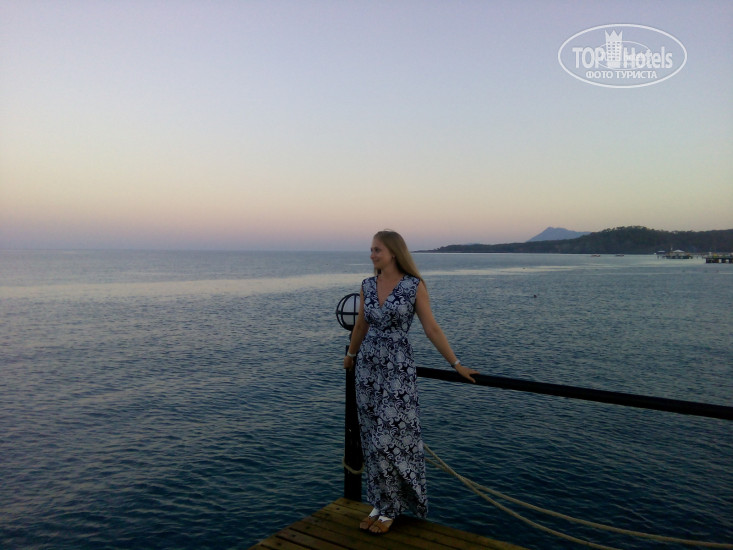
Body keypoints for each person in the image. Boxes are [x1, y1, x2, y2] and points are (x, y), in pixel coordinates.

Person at [343, 229, 479, 535]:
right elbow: (361, 325)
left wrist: (456, 364)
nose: (372, 254)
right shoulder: (367, 285)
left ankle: (392, 507)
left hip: (397, 369)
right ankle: (379, 503)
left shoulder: (413, 286)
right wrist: (351, 355)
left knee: (387, 439)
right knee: (370, 438)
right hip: (368, 368)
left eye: (377, 249)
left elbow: (431, 328)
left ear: (393, 252)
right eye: (371, 249)